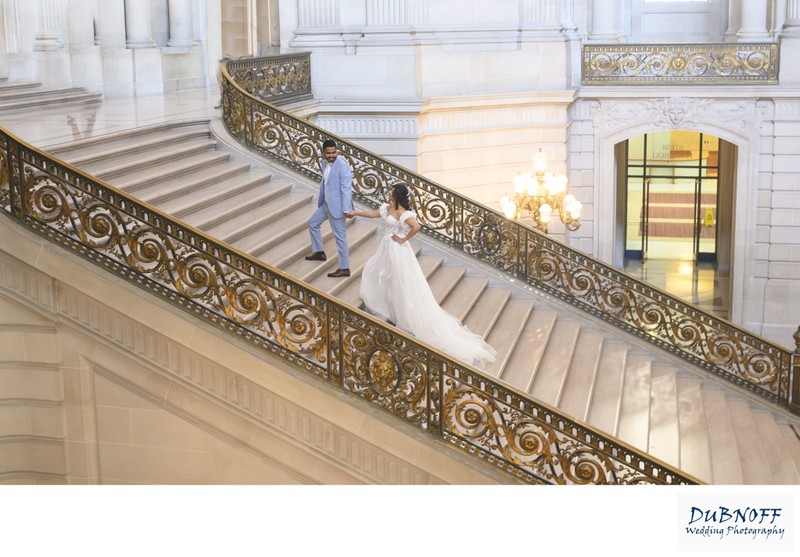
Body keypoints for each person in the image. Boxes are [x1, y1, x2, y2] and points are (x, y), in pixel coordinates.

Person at [345, 184, 497, 369]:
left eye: (392, 190)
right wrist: (355, 214)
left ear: (398, 195)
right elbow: (374, 214)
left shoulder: (402, 213)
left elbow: (416, 227)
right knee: (373, 269)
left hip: (397, 250)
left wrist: (402, 239)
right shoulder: (388, 207)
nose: (389, 191)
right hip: (386, 247)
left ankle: (401, 307)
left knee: (398, 279)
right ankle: (386, 298)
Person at [305, 139, 354, 278]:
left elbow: (346, 188)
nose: (331, 155)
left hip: (338, 207)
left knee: (340, 238)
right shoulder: (324, 163)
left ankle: (344, 268)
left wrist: (346, 209)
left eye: (334, 152)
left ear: (336, 151)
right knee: (312, 223)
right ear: (324, 153)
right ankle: (319, 252)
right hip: (326, 204)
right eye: (328, 153)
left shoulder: (342, 165)